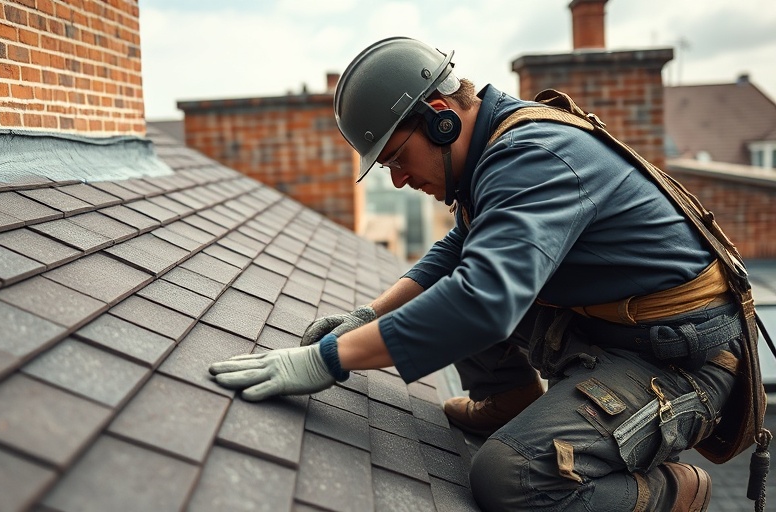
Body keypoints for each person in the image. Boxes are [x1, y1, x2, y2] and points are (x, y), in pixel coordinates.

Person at [210, 37, 746, 511]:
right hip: (607, 333)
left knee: (510, 479)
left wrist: (328, 360)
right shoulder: (493, 150)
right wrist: (366, 316)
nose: (397, 180)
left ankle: (674, 493)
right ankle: (509, 401)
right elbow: (459, 250)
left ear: (441, 116)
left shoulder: (532, 158)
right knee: (461, 282)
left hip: (676, 362)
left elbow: (483, 301)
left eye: (398, 157)